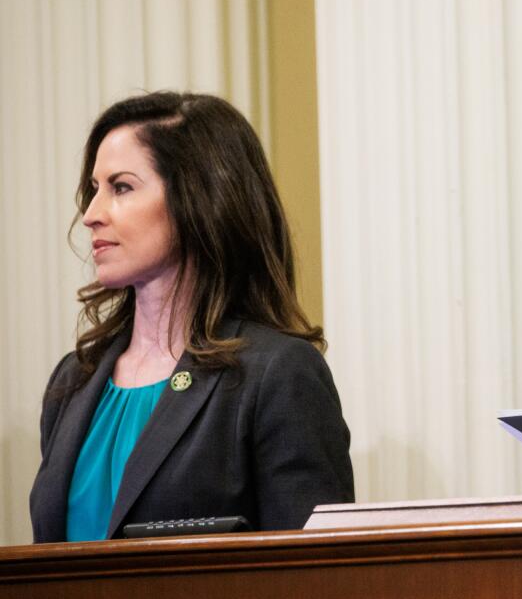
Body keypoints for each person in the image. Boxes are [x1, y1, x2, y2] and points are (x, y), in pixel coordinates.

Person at [30, 92, 354, 541]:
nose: (91, 215)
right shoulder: (74, 380)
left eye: (120, 187)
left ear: (198, 198)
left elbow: (310, 585)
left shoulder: (277, 374)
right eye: (93, 190)